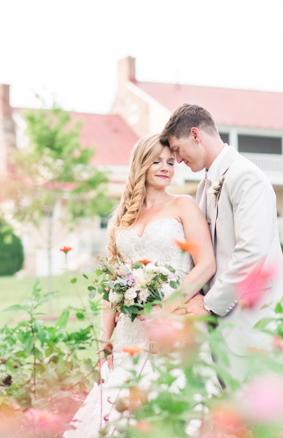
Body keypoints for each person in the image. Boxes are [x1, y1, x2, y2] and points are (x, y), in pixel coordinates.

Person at [64, 135, 217, 438]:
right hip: (129, 335)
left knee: (170, 416)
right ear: (141, 164)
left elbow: (207, 264)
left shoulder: (183, 205)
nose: (165, 168)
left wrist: (166, 307)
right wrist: (103, 340)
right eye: (157, 161)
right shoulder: (124, 214)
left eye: (171, 162)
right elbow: (114, 282)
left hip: (175, 324)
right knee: (117, 418)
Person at [161, 103, 283, 381]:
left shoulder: (246, 177)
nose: (177, 159)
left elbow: (252, 255)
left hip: (254, 320)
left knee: (261, 415)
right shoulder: (205, 184)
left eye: (176, 149)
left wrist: (209, 306)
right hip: (222, 324)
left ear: (195, 134)